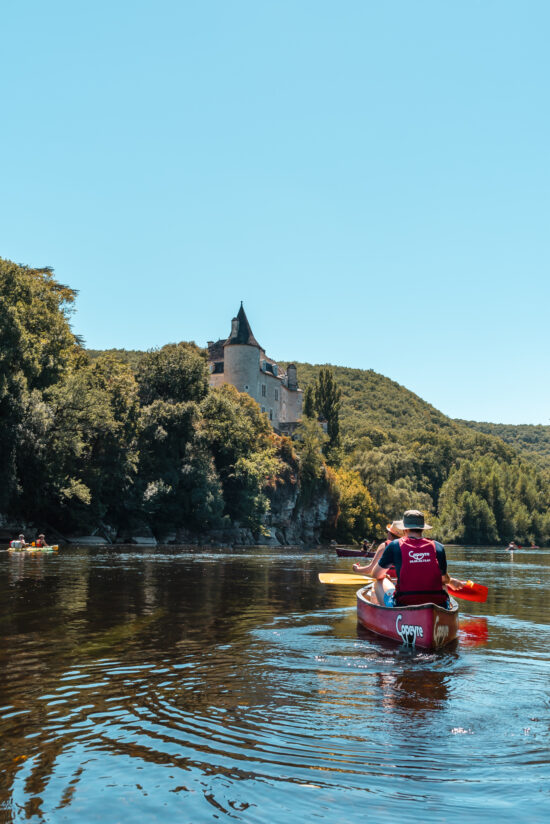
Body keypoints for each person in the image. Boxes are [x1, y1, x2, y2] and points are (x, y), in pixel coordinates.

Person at [365, 510, 463, 608]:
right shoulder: (438, 547)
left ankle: (387, 614)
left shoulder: (394, 545)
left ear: (405, 529)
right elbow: (443, 579)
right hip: (437, 605)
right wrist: (450, 581)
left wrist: (385, 576)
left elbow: (375, 574)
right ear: (422, 529)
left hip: (403, 604)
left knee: (378, 582)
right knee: (443, 585)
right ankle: (442, 612)